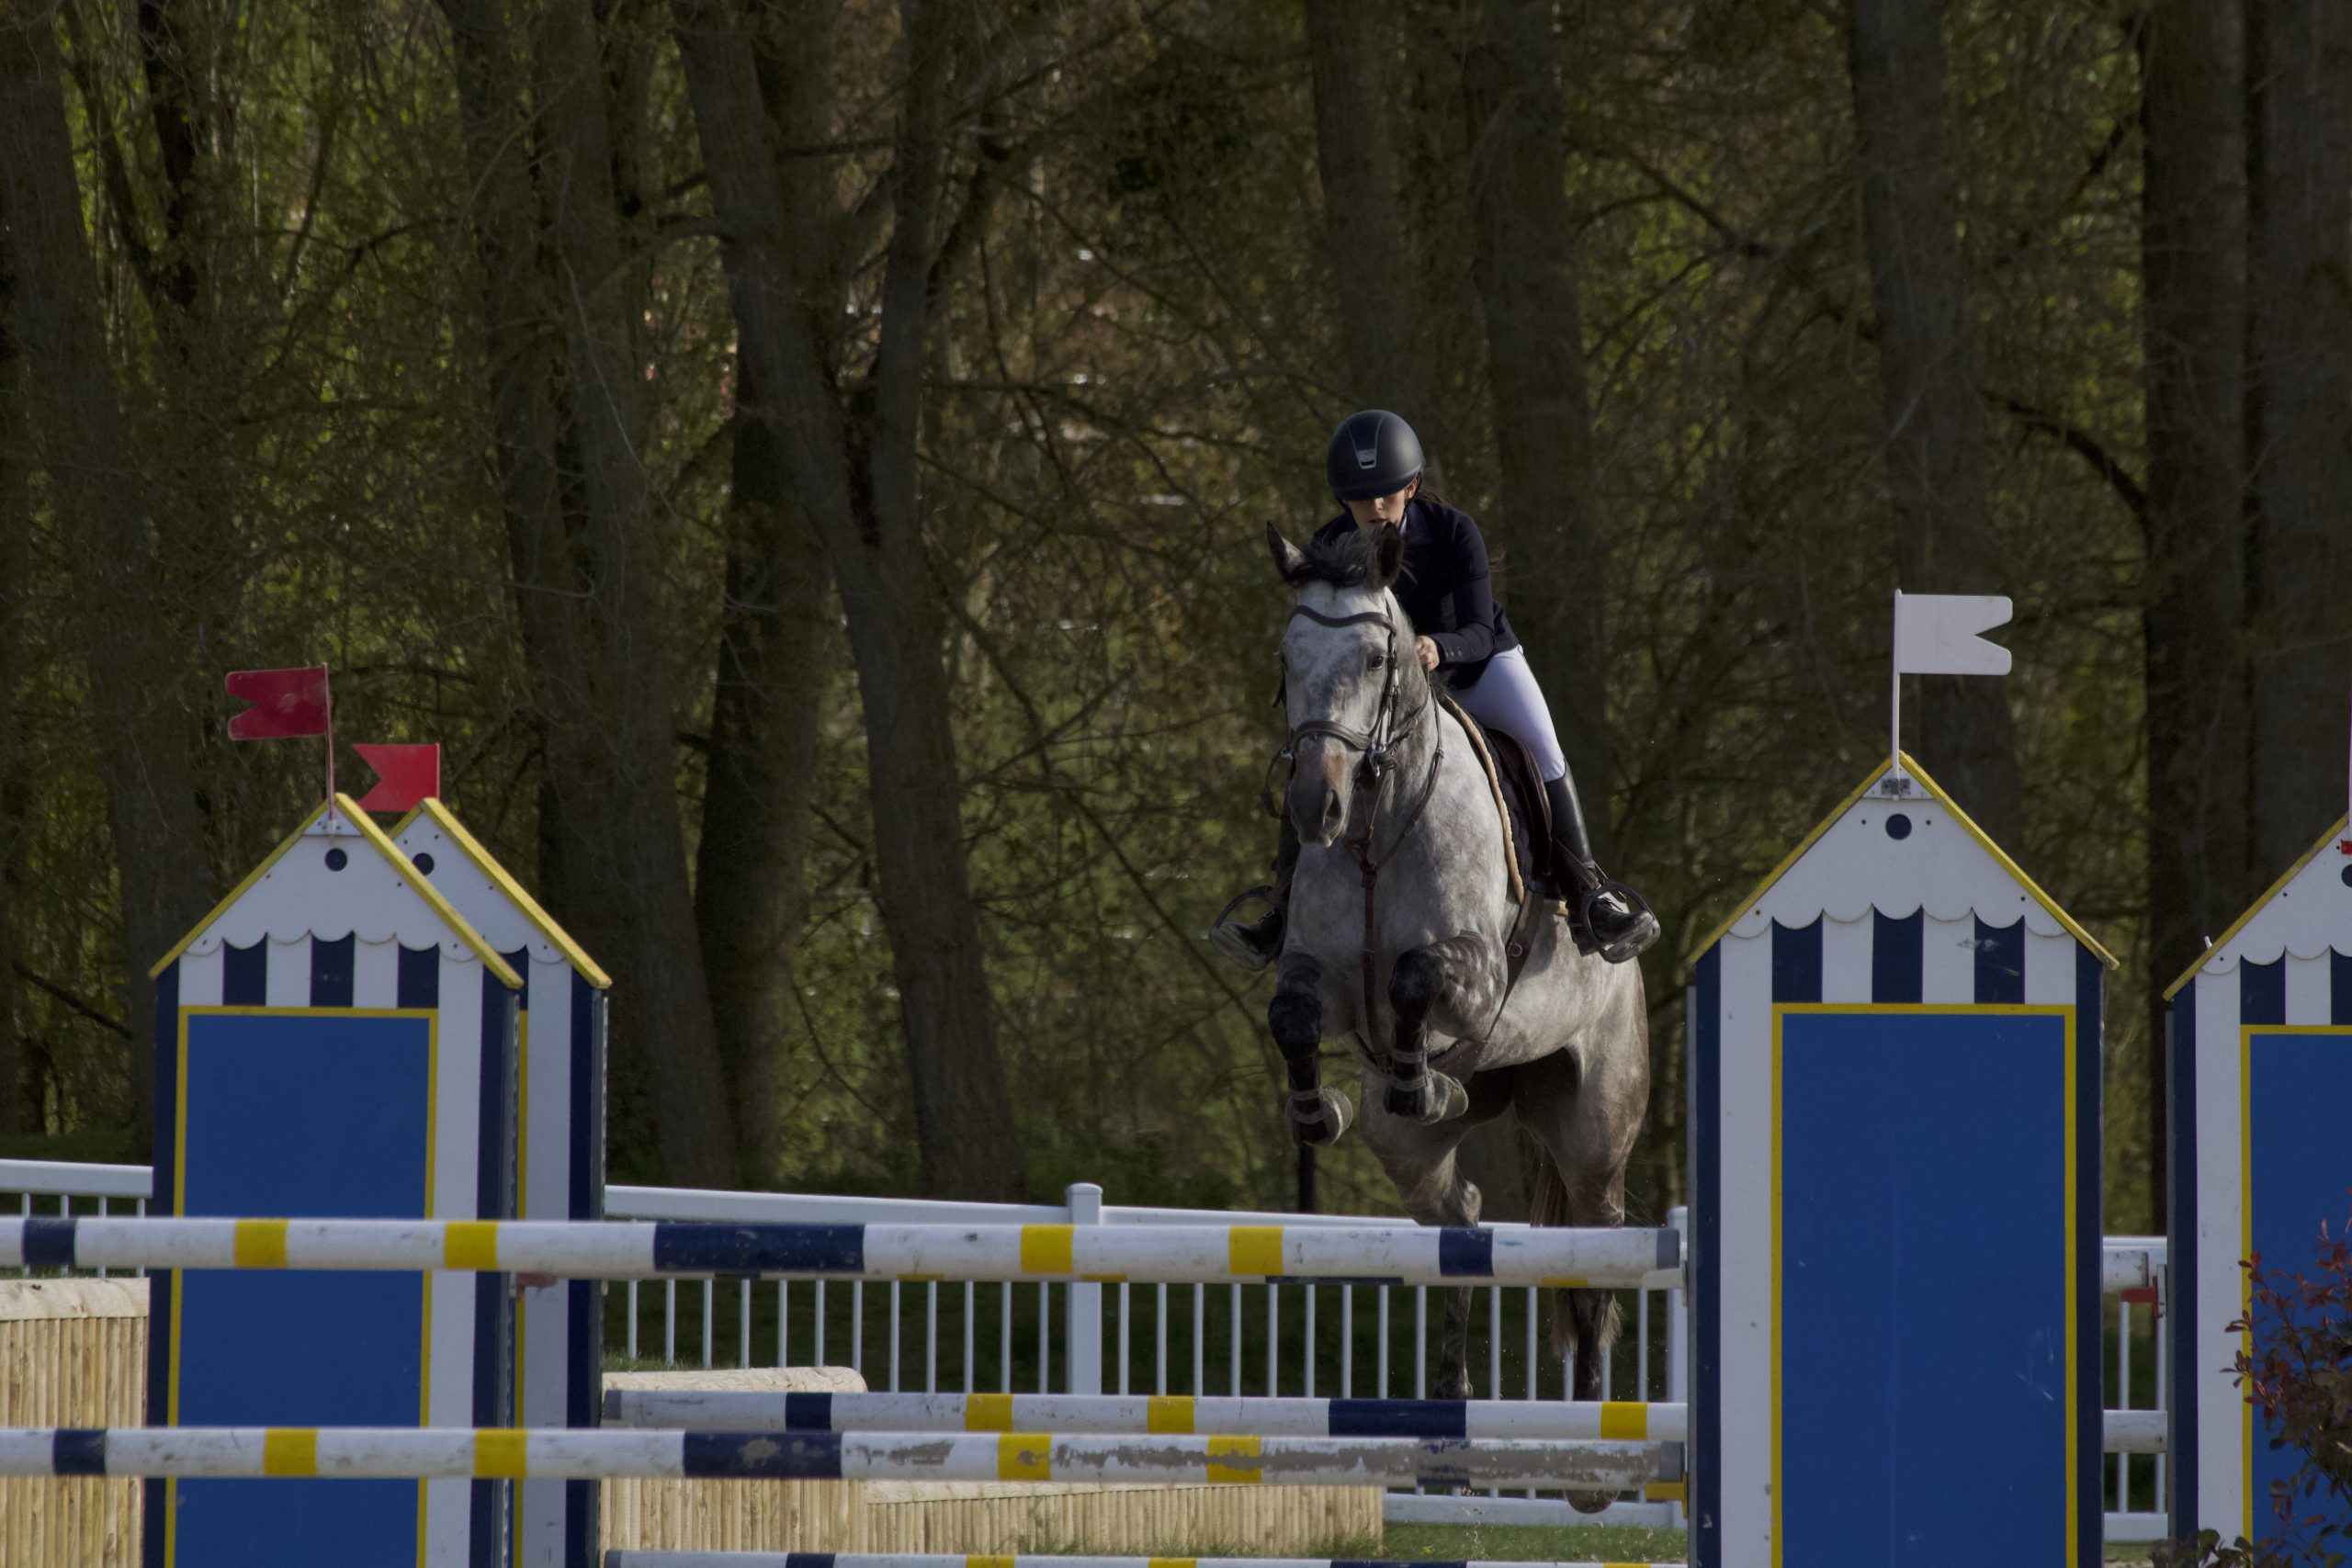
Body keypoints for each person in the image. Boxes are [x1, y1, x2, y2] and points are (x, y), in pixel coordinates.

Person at [1212, 409, 1659, 968]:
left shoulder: (1454, 533)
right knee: (1313, 758)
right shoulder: (1329, 547)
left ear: (1412, 487)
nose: (1375, 509)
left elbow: (1477, 627)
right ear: (1341, 499)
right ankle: (1279, 913)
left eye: (1387, 495)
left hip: (1475, 668)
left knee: (1544, 752)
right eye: (1360, 498)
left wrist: (1438, 649)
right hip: (1383, 690)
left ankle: (1590, 896)